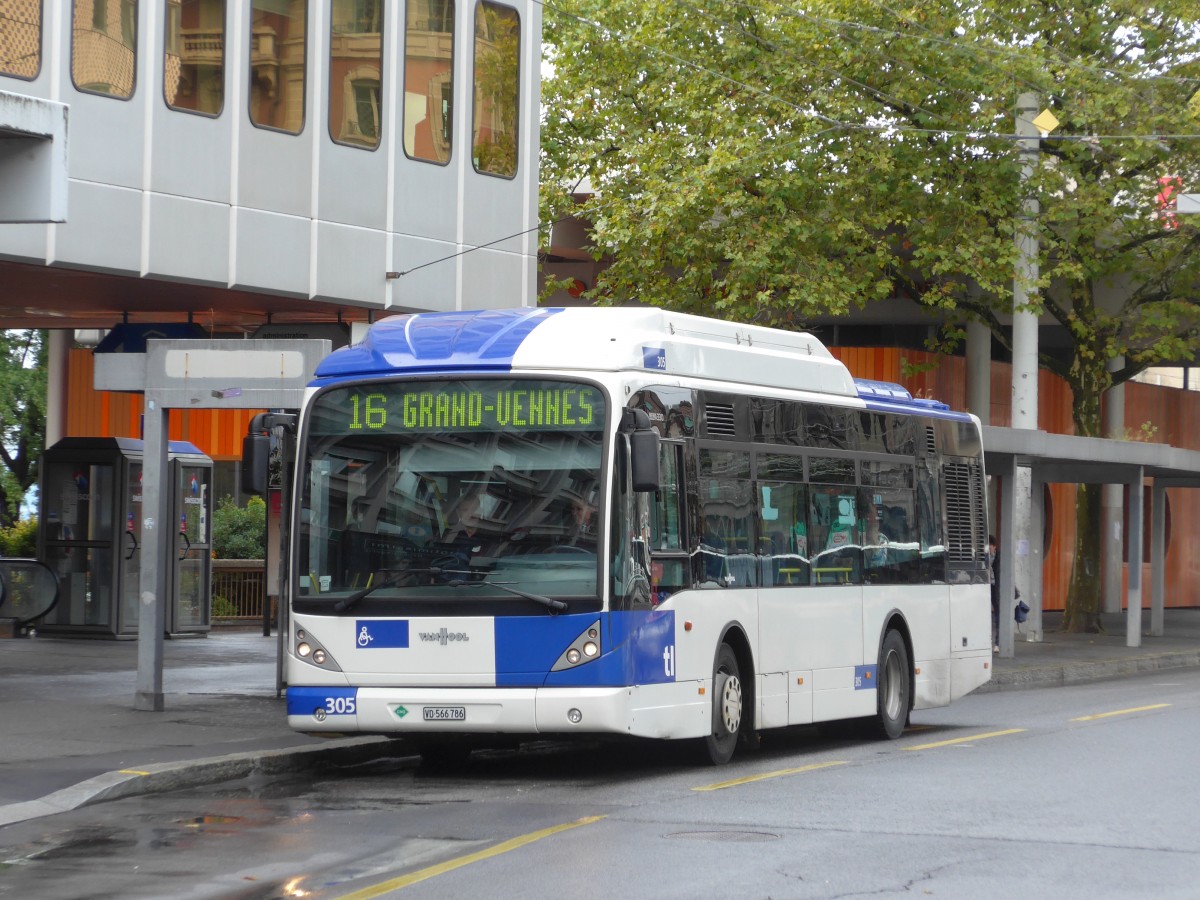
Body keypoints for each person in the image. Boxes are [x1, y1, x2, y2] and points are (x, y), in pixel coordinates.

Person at [988, 534, 1000, 652]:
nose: (988, 548)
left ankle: (998, 642)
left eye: (990, 546)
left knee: (998, 615)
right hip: (986, 587)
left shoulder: (999, 557)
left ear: (994, 546)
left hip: (996, 588)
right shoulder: (983, 558)